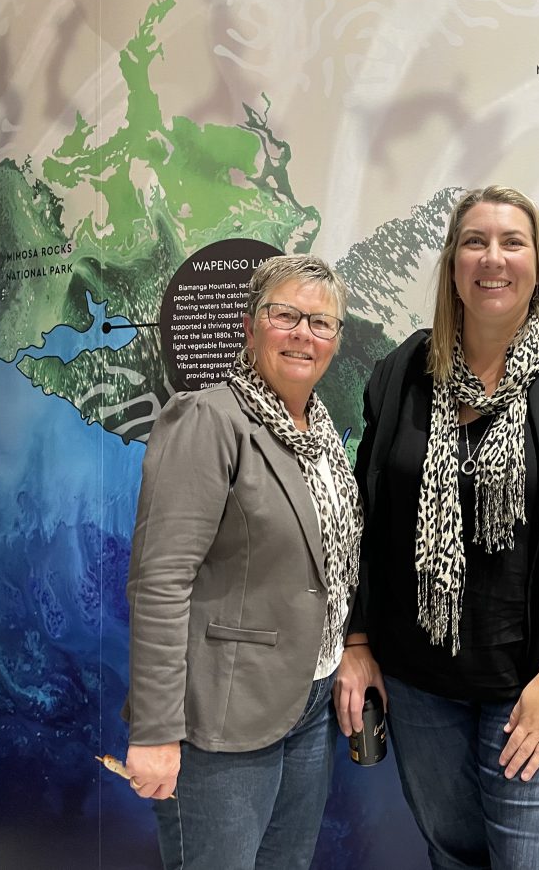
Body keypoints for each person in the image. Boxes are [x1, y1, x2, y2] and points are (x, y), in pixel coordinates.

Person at [335, 186, 539, 870]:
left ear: (537, 261)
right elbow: (367, 520)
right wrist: (356, 637)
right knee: (454, 858)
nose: (492, 258)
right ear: (452, 264)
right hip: (420, 686)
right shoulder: (403, 369)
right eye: (475, 241)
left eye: (511, 242)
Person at [122, 254, 365, 870]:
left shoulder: (320, 431)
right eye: (285, 315)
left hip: (308, 702)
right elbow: (160, 580)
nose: (303, 334)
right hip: (222, 715)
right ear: (251, 325)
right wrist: (154, 732)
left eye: (321, 322)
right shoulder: (210, 417)